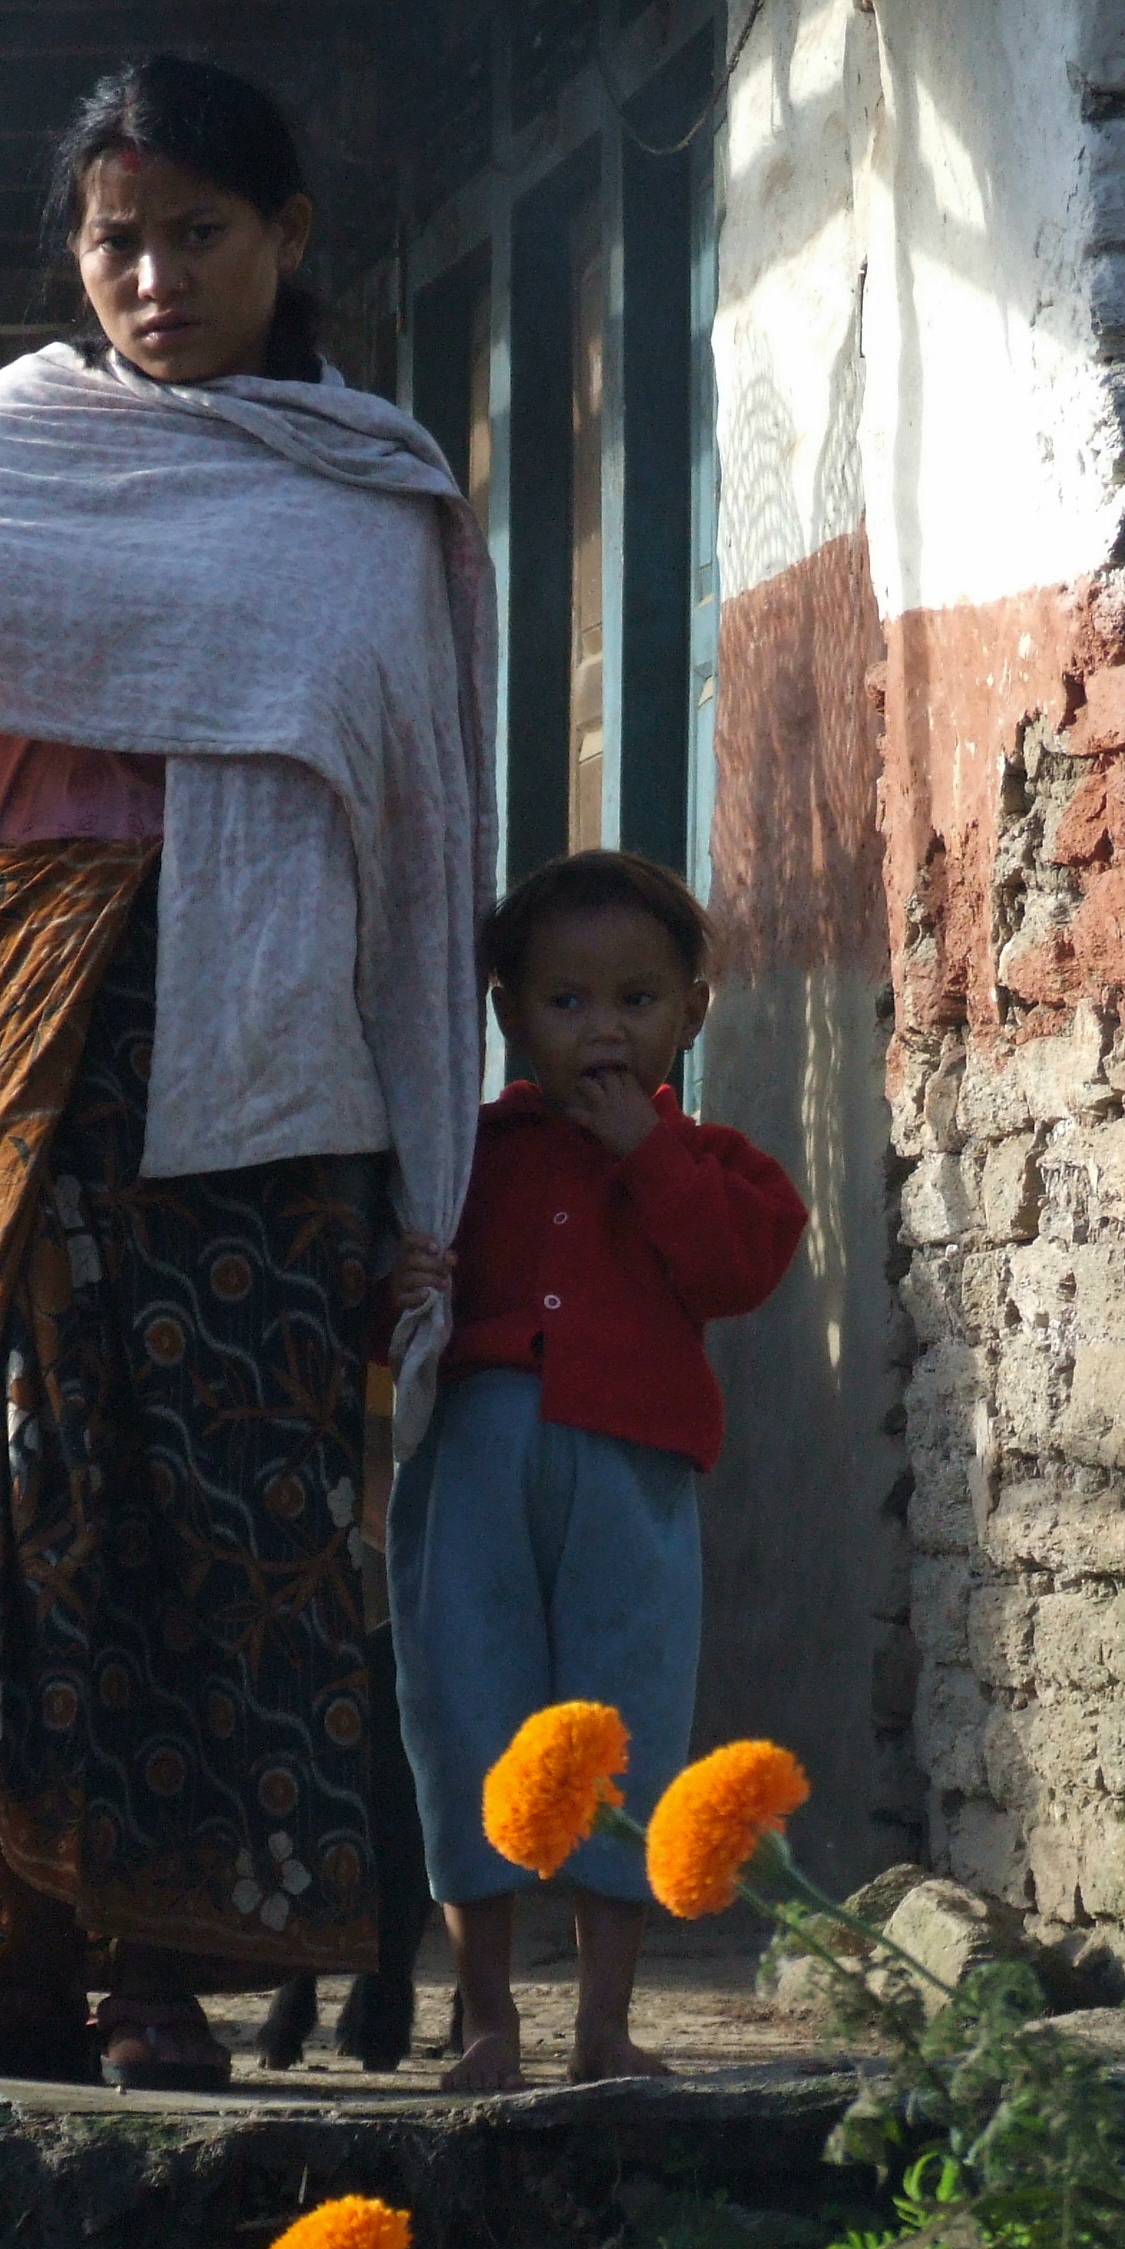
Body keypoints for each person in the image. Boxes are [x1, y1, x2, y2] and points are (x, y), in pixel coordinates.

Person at [0, 56, 494, 2093]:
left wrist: (423, 1167)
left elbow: (419, 830)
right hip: (35, 1019)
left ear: (287, 238)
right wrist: (11, 957)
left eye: (198, 233)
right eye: (116, 239)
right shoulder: (20, 439)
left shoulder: (368, 494)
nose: (154, 277)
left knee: (224, 1501)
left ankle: (161, 1979)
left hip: (272, 1065)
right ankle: (2, 1958)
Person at [384, 849, 808, 2090]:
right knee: (466, 1714)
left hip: (633, 1483)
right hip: (470, 1472)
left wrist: (646, 1155)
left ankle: (603, 2026)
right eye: (565, 1002)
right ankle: (483, 2018)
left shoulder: (718, 1168)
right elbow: (382, 1310)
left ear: (691, 1013)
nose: (602, 1031)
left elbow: (733, 1273)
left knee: (623, 1726)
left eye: (635, 999)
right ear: (509, 1016)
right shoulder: (463, 1158)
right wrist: (399, 1285)